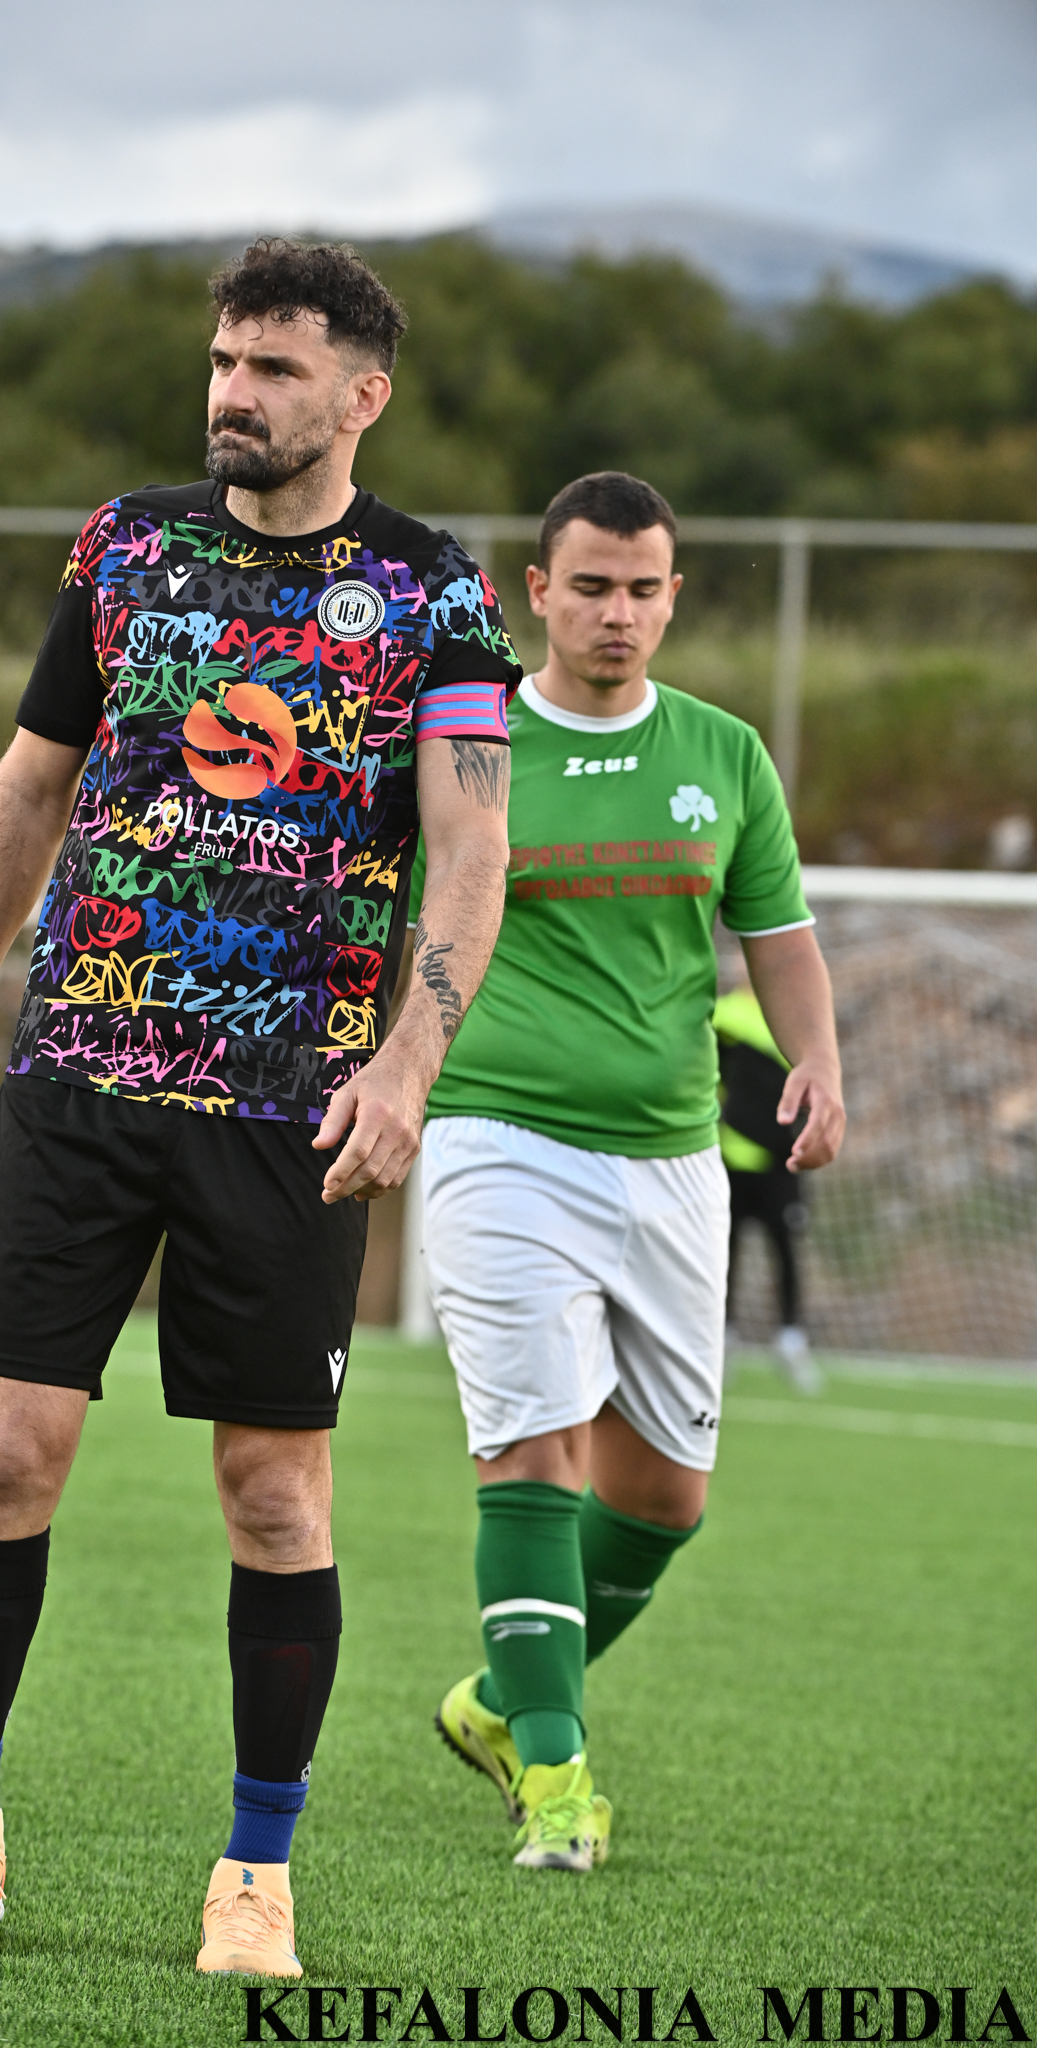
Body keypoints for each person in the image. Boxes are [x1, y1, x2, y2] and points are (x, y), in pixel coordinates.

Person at [0, 238, 520, 1975]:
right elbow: (29, 786)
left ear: (362, 396)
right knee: (10, 1456)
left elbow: (474, 850)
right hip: (81, 1081)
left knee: (273, 1499)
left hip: (289, 1112)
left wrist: (407, 1067)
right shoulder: (125, 545)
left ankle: (256, 1876)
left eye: (275, 369)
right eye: (225, 361)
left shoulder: (435, 595)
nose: (234, 393)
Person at [416, 471, 844, 1872]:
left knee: (664, 1497)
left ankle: (503, 1698)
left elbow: (778, 934)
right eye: (591, 586)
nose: (618, 612)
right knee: (533, 1449)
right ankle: (557, 1780)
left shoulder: (724, 751)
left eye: (643, 588)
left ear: (674, 596)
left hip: (672, 1160)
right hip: (495, 1137)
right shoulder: (470, 743)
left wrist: (818, 1061)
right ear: (538, 592)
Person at [715, 978, 822, 1393]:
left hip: (780, 1162)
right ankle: (721, 1339)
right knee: (724, 1253)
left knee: (786, 1250)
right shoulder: (725, 1016)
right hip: (730, 1159)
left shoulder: (794, 1016)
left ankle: (790, 1339)